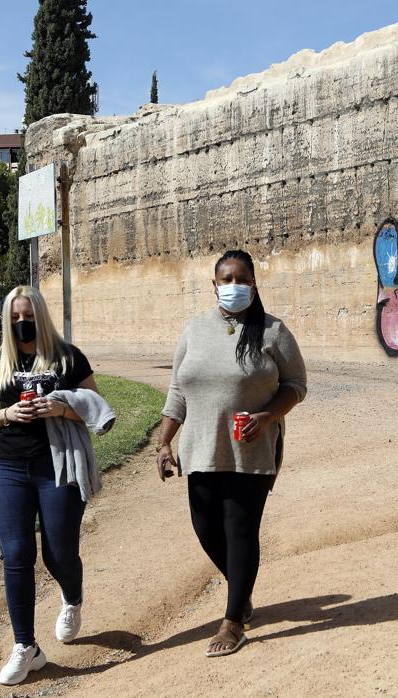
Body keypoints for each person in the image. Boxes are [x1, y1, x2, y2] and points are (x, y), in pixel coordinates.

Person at [157, 249, 308, 657]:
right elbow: (177, 389)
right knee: (206, 528)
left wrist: (268, 415)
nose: (233, 286)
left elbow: (295, 384)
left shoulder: (273, 331)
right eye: (225, 279)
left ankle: (233, 622)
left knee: (239, 529)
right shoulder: (194, 330)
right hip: (200, 447)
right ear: (214, 285)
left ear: (254, 284)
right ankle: (241, 592)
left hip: (251, 447)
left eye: (241, 279)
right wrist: (164, 440)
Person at [0, 285, 99, 685]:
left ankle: (71, 598)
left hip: (57, 464)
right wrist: (9, 412)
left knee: (59, 553)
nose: (21, 323)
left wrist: (61, 408)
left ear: (40, 316)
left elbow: (94, 406)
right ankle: (26, 647)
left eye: (26, 316)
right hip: (7, 466)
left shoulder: (67, 357)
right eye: (13, 318)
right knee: (16, 553)